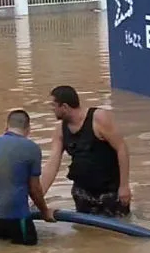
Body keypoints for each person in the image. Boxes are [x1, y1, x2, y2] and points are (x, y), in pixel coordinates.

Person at [41, 85, 132, 217]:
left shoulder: (99, 118)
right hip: (82, 192)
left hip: (110, 191)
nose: (52, 110)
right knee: (86, 233)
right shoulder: (60, 130)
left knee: (118, 233)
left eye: (53, 106)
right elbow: (52, 165)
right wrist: (38, 196)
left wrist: (124, 186)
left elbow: (122, 148)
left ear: (65, 107)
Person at [0, 110, 55, 246]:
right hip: (17, 216)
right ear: (28, 129)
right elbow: (34, 188)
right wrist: (45, 212)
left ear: (6, 126)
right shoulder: (32, 148)